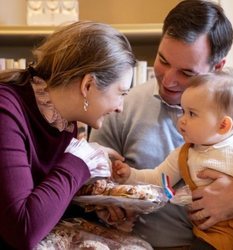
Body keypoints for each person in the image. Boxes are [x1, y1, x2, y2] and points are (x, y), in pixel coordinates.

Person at [89, 0, 233, 248]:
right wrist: (107, 204)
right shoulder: (120, 105)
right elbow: (91, 179)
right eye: (163, 60)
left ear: (218, 67)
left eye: (187, 73)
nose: (169, 81)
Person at [0, 21, 136, 249]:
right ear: (88, 85)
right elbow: (22, 230)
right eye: (120, 93)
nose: (120, 107)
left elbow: (46, 206)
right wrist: (81, 158)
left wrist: (98, 210)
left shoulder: (64, 123)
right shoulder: (6, 111)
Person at [112, 69, 233, 250]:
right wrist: (129, 174)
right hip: (208, 239)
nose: (182, 120)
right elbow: (157, 178)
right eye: (183, 111)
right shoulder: (184, 154)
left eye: (191, 114)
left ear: (223, 125)